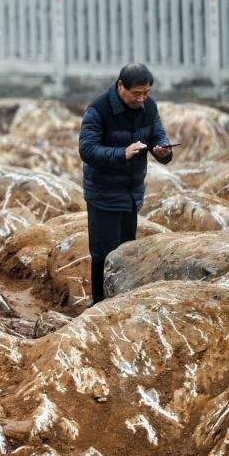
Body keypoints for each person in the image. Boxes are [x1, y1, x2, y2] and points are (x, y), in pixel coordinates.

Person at [78, 63, 173, 304]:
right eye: (137, 93)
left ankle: (122, 301)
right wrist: (122, 153)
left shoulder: (148, 107)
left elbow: (157, 134)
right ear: (121, 86)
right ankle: (99, 302)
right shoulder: (98, 110)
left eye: (147, 93)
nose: (142, 99)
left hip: (131, 193)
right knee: (103, 253)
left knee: (127, 251)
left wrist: (162, 150)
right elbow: (87, 150)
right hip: (103, 193)